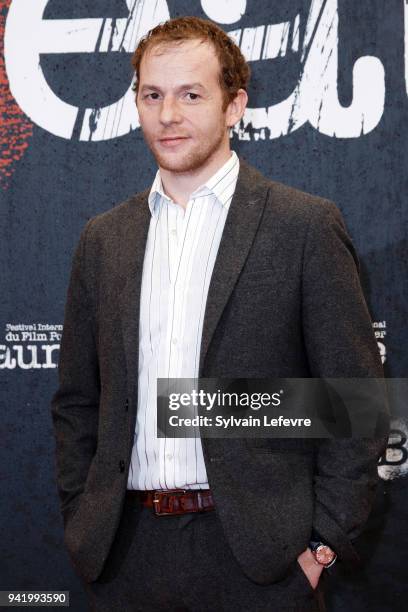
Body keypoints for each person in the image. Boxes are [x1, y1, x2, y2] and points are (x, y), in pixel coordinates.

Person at [51, 16, 389, 612]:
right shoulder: (104, 239)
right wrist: (84, 519)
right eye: (152, 95)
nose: (168, 115)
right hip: (124, 556)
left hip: (259, 562)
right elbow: (78, 401)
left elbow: (355, 401)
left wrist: (323, 546)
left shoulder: (303, 226)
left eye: (191, 94)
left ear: (234, 106)